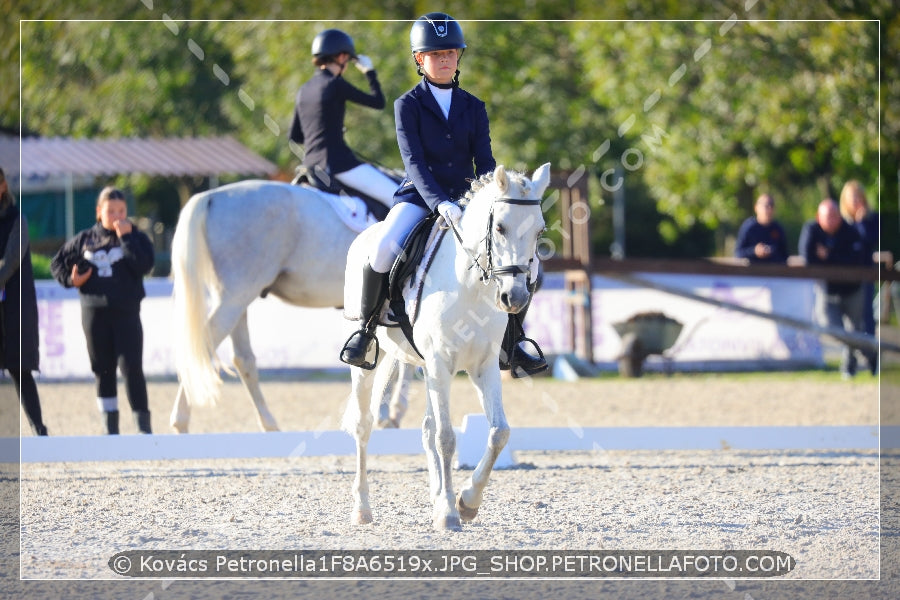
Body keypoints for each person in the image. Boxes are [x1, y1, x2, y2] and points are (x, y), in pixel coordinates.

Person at [339, 12, 547, 378]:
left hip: (469, 200)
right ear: (420, 59)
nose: (445, 59)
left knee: (527, 264)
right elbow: (414, 162)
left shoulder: (474, 106)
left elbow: (484, 162)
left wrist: (486, 199)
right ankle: (367, 331)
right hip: (420, 196)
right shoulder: (408, 105)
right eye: (437, 54)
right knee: (385, 247)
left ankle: (513, 341)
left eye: (451, 52)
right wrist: (439, 203)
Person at [50, 187, 155, 434]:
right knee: (103, 370)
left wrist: (127, 238)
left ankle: (144, 430)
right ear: (99, 212)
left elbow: (144, 265)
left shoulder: (136, 237)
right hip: (94, 315)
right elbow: (57, 264)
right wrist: (70, 280)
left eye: (122, 211)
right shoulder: (85, 239)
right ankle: (110, 431)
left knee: (132, 369)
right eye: (111, 211)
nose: (117, 216)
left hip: (127, 313)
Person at [288, 28, 397, 210]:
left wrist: (327, 132)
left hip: (309, 166)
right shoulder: (335, 84)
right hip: (339, 165)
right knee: (399, 199)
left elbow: (295, 135)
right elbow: (378, 102)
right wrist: (369, 72)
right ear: (341, 57)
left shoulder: (304, 89)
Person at [798, 198, 876, 378]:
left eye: (835, 216)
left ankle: (849, 366)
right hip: (827, 291)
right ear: (819, 217)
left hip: (852, 290)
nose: (832, 220)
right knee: (831, 328)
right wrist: (835, 258)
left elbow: (855, 259)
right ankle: (870, 353)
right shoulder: (812, 229)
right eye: (828, 217)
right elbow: (808, 259)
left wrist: (828, 255)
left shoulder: (850, 231)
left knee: (855, 330)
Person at [0, 166, 47, 436]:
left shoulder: (18, 219)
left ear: (3, 186)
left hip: (14, 307)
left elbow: (10, 262)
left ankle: (39, 431)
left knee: (21, 370)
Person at [839, 180, 878, 337]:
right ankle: (851, 356)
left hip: (865, 274)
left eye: (858, 197)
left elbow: (869, 241)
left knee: (866, 315)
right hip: (844, 275)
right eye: (851, 197)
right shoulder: (841, 222)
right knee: (848, 317)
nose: (855, 201)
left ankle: (869, 355)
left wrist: (861, 222)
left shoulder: (872, 219)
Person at [734, 193, 789, 263]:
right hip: (752, 272)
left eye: (771, 205)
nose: (769, 208)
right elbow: (738, 253)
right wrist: (754, 251)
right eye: (765, 205)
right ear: (756, 207)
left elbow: (785, 256)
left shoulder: (778, 229)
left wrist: (771, 254)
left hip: (773, 272)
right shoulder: (749, 227)